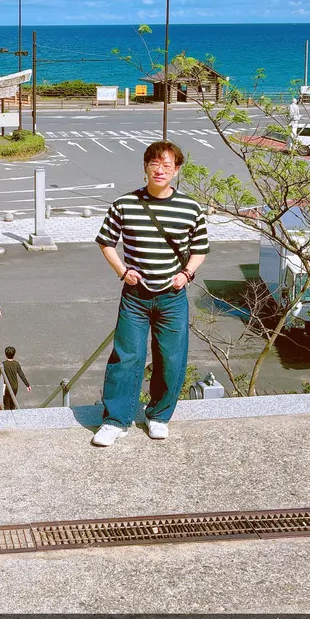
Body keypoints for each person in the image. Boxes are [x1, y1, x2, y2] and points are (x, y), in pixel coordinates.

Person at [92, 140, 210, 447]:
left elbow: (200, 248)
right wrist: (122, 271)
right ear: (145, 167)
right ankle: (116, 420)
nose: (160, 170)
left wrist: (186, 274)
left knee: (171, 358)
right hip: (136, 296)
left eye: (167, 165)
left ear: (177, 170)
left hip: (173, 296)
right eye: (155, 164)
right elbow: (106, 241)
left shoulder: (190, 208)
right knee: (126, 357)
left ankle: (158, 415)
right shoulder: (124, 205)